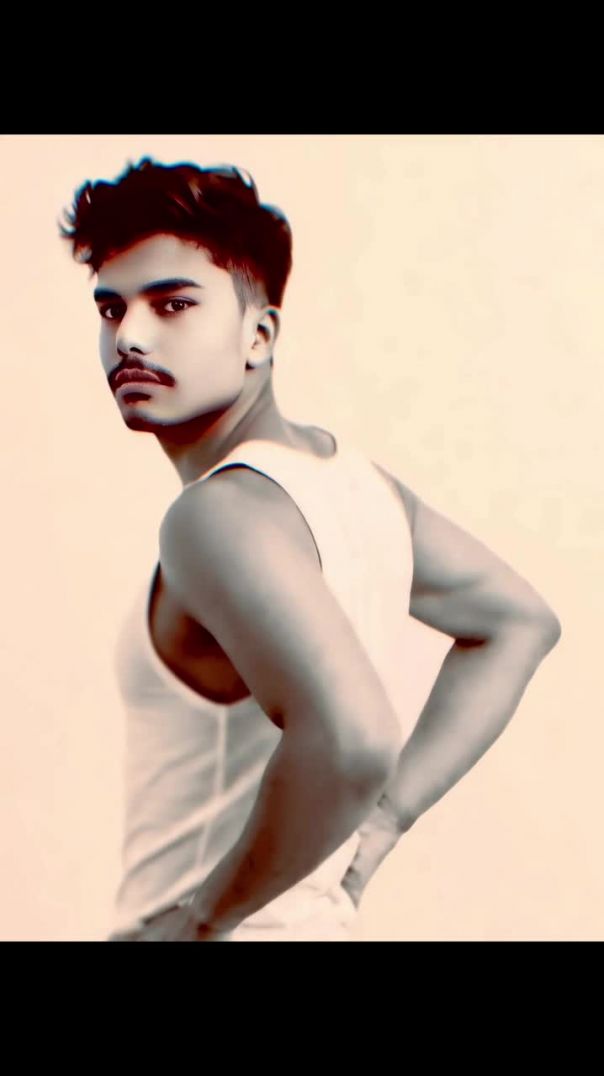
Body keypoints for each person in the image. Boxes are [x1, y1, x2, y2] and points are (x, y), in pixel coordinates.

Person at [58, 156, 562, 942]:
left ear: (259, 335)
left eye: (173, 304)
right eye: (111, 308)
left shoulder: (213, 515)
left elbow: (355, 738)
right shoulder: (355, 486)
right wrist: (383, 820)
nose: (130, 336)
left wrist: (201, 922)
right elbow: (518, 620)